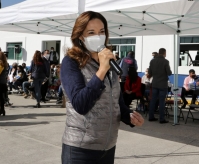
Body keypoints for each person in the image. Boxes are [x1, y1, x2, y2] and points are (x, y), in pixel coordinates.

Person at [60, 11, 144, 164]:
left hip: (108, 147)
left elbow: (116, 103)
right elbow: (80, 103)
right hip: (80, 149)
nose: (98, 36)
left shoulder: (108, 63)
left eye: (102, 32)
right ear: (80, 37)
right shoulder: (71, 62)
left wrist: (129, 116)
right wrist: (101, 71)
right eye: (91, 32)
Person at [148, 48, 172, 123]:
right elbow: (169, 73)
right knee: (161, 102)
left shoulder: (152, 61)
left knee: (153, 100)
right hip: (163, 84)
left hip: (154, 83)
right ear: (164, 53)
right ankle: (161, 119)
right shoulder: (166, 61)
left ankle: (151, 116)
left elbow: (149, 72)